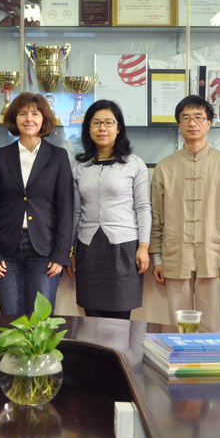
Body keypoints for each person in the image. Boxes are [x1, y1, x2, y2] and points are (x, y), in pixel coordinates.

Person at [150, 95, 220, 332]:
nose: (192, 123)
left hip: (213, 255)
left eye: (198, 118)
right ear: (179, 124)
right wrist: (157, 259)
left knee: (209, 325)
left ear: (209, 123)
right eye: (186, 118)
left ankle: (206, 358)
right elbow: (156, 217)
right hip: (175, 254)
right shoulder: (164, 167)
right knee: (177, 326)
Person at [0, 93, 73, 314]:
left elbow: (66, 208)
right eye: (23, 114)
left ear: (44, 119)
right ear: (15, 119)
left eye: (35, 114)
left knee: (40, 320)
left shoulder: (58, 156)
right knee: (10, 318)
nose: (29, 119)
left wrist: (61, 254)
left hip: (45, 248)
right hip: (7, 249)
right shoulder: (1, 156)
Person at [66, 100, 150, 319]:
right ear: (88, 128)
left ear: (118, 128)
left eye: (108, 122)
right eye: (96, 123)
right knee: (91, 318)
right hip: (88, 248)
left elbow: (143, 207)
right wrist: (71, 249)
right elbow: (75, 212)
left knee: (120, 319)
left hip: (124, 248)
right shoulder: (79, 166)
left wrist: (143, 246)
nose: (102, 128)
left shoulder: (134, 164)